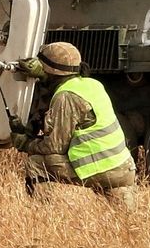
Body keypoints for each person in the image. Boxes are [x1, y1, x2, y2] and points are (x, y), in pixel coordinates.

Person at [11, 41, 138, 207]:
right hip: (124, 169)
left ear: (50, 72)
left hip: (97, 169)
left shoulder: (65, 96)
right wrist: (44, 76)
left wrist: (25, 143)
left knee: (36, 162)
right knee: (126, 223)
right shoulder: (93, 85)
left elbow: (54, 147)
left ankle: (41, 215)